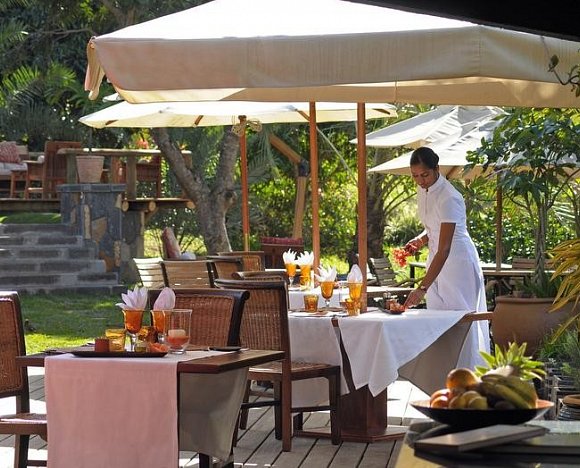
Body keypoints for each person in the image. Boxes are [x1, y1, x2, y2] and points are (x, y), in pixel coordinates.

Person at [402, 146, 489, 367]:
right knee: (437, 319)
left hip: (457, 262)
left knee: (462, 320)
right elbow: (434, 226)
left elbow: (446, 248)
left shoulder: (449, 197)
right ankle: (443, 376)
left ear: (436, 169)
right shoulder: (424, 190)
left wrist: (422, 288)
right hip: (436, 258)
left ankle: (469, 374)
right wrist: (421, 240)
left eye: (424, 175)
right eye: (415, 176)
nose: (420, 181)